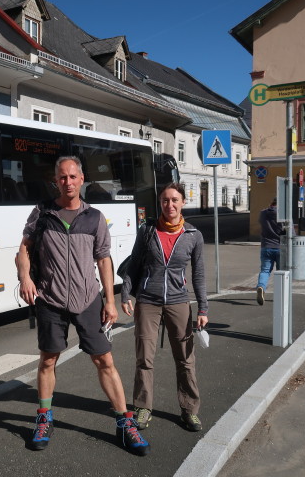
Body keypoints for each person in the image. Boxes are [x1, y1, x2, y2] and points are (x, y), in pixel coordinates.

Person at [16, 156, 149, 456]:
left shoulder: (94, 217)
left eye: (73, 176)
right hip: (50, 299)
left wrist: (110, 301)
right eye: (62, 177)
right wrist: (25, 277)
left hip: (88, 299)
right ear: (56, 180)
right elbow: (24, 248)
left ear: (82, 178)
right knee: (47, 360)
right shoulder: (42, 213)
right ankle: (44, 418)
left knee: (105, 361)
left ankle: (124, 423)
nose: (68, 182)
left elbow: (104, 259)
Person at [120, 182, 208, 433]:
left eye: (174, 200)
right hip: (148, 301)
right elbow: (134, 264)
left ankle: (190, 410)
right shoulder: (147, 230)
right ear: (160, 203)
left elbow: (199, 273)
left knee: (185, 359)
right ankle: (143, 407)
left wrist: (203, 309)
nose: (169, 205)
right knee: (144, 358)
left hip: (179, 301)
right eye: (165, 200)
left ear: (182, 203)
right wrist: (126, 292)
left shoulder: (193, 235)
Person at [256, 198, 284, 305]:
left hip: (266, 246)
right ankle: (280, 295)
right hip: (280, 247)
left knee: (265, 270)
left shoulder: (263, 213)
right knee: (281, 272)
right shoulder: (283, 215)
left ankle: (261, 287)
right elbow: (290, 232)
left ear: (271, 203)